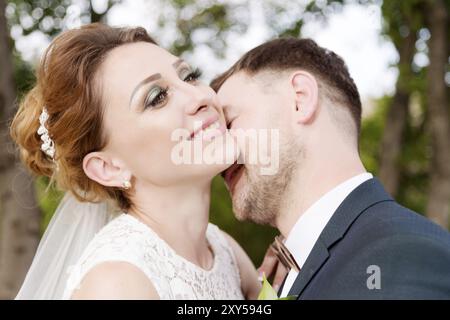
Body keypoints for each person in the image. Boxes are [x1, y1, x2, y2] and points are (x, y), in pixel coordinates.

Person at [11, 23, 261, 300]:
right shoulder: (116, 284)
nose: (200, 96)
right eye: (157, 98)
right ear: (109, 168)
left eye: (189, 77)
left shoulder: (223, 251)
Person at [212, 38, 450, 299]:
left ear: (300, 100)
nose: (218, 156)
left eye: (230, 123)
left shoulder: (406, 254)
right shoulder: (285, 273)